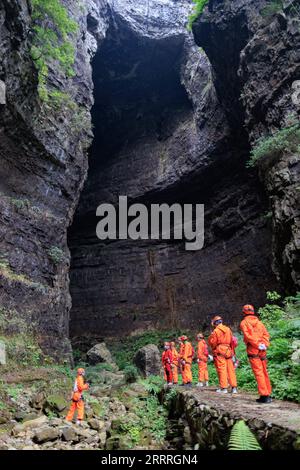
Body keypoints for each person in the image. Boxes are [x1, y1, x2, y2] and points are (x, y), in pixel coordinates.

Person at [240, 304, 272, 403]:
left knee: (259, 373)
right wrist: (264, 344)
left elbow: (248, 336)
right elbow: (266, 334)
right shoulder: (260, 323)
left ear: (244, 312)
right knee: (264, 371)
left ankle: (264, 395)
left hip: (253, 349)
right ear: (253, 311)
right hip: (262, 349)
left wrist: (257, 344)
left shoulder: (244, 323)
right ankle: (268, 393)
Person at [208, 316, 237, 394]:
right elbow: (232, 341)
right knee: (230, 369)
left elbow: (213, 343)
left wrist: (211, 338)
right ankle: (234, 388)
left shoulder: (216, 331)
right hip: (228, 350)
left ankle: (224, 388)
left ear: (215, 323)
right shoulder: (228, 329)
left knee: (222, 369)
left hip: (220, 350)